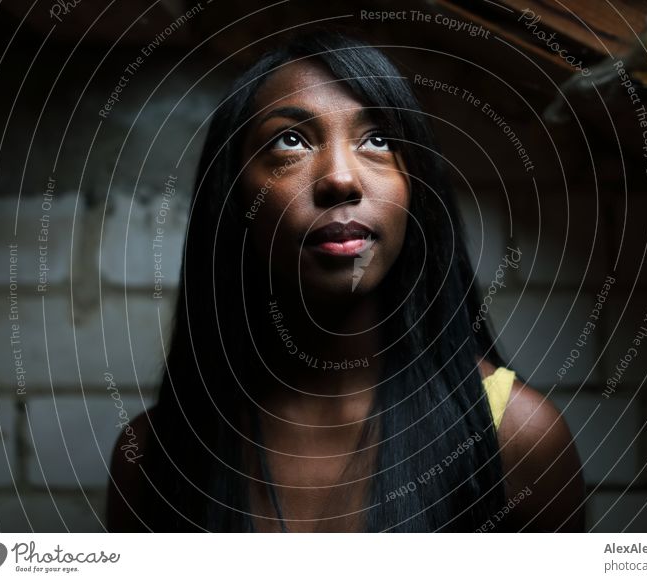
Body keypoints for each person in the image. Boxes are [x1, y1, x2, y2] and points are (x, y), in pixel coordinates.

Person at [106, 30, 584, 532]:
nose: (340, 178)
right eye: (289, 140)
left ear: (415, 192)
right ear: (233, 198)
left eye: (378, 139)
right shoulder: (152, 459)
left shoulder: (518, 437)